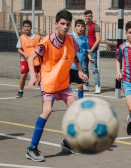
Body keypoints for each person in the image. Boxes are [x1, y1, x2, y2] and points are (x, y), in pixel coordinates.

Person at [26, 9, 88, 162]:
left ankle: (67, 143)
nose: (65, 27)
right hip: (48, 83)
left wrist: (80, 71)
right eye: (62, 24)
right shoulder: (46, 41)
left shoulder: (71, 40)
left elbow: (75, 57)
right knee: (47, 111)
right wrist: (33, 76)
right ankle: (31, 148)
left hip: (63, 83)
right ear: (56, 24)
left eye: (67, 24)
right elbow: (30, 58)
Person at [70, 19, 94, 99]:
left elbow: (87, 51)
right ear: (75, 27)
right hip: (68, 66)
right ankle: (50, 101)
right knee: (64, 85)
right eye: (78, 26)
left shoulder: (85, 39)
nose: (80, 28)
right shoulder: (69, 36)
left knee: (80, 85)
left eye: (82, 26)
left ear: (84, 28)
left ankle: (80, 101)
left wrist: (90, 58)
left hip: (78, 68)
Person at [16, 20, 41, 98]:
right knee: (23, 76)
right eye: (25, 27)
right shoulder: (21, 38)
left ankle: (44, 91)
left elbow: (41, 47)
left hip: (36, 59)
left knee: (40, 76)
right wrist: (25, 54)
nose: (27, 28)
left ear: (31, 27)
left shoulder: (37, 37)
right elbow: (19, 49)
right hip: (25, 59)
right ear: (23, 28)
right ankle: (20, 91)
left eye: (28, 26)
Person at [83, 10, 101, 94]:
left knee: (94, 69)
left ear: (92, 16)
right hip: (84, 50)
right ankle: (85, 85)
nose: (88, 17)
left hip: (92, 50)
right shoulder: (83, 25)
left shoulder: (95, 26)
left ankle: (97, 86)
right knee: (84, 68)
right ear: (84, 16)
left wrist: (92, 49)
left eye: (89, 16)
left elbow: (98, 39)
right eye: (86, 16)